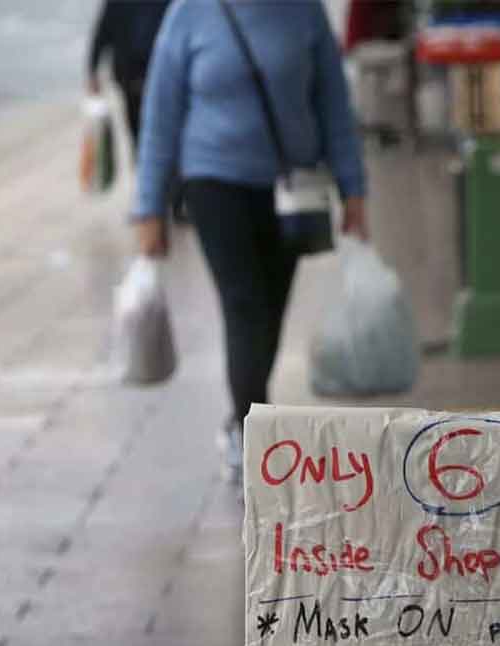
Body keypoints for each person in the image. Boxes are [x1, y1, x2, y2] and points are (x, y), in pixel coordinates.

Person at [133, 0, 368, 481]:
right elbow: (161, 111)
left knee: (271, 310)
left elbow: (333, 104)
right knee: (243, 304)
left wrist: (353, 188)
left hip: (291, 189)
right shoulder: (190, 13)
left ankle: (243, 415)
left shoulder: (303, 13)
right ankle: (249, 432)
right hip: (214, 183)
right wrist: (148, 207)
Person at [87, 0, 172, 149]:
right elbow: (103, 32)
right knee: (137, 128)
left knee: (160, 129)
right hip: (129, 75)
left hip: (160, 75)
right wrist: (93, 70)